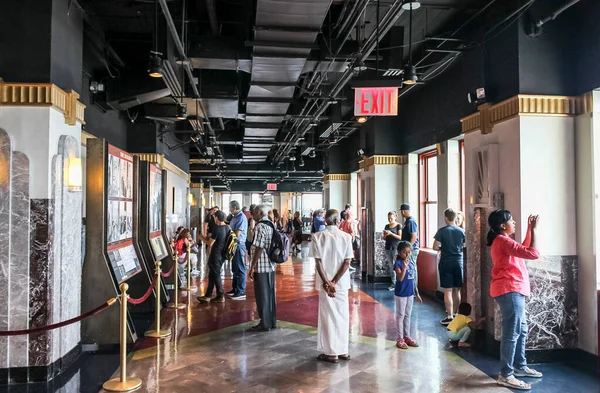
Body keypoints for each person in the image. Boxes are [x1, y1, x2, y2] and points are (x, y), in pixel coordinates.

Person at [487, 210, 542, 390]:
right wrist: (534, 230)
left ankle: (519, 366)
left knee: (521, 330)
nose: (514, 222)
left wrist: (529, 229)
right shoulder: (503, 241)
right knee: (512, 333)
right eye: (511, 220)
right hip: (510, 290)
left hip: (513, 289)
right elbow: (533, 253)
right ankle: (506, 374)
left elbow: (523, 249)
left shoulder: (504, 241)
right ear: (503, 225)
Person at [309, 209, 354, 363]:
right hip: (341, 284)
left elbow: (318, 262)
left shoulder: (317, 237)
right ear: (337, 221)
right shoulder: (347, 237)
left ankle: (331, 352)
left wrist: (327, 282)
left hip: (325, 284)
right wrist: (335, 282)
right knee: (342, 315)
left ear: (325, 221)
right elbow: (347, 262)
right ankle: (343, 351)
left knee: (327, 316)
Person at [433, 208, 466, 325]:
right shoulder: (462, 231)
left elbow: (435, 247)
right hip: (458, 261)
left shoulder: (442, 231)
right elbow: (465, 245)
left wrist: (444, 248)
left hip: (446, 262)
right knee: (457, 290)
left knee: (448, 290)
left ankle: (449, 316)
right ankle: (457, 314)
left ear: (446, 218)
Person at [248, 205, 277, 331]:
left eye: (254, 213)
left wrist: (252, 267)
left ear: (259, 213)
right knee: (270, 295)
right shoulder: (271, 224)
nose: (252, 216)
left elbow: (259, 247)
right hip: (271, 265)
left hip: (262, 266)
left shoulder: (260, 226)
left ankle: (264, 323)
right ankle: (271, 321)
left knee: (262, 296)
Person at [394, 241, 422, 349]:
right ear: (400, 253)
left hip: (410, 293)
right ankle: (400, 338)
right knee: (400, 316)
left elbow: (413, 279)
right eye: (404, 252)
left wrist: (417, 293)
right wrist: (404, 267)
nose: (407, 254)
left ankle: (407, 336)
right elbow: (400, 278)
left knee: (408, 315)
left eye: (409, 252)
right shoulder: (398, 264)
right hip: (401, 293)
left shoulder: (411, 263)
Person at [197, 210, 228, 303]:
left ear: (217, 218)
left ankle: (220, 295)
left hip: (216, 254)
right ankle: (208, 295)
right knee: (212, 274)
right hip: (222, 254)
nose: (213, 219)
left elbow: (210, 243)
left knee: (216, 274)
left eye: (214, 217)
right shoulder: (226, 227)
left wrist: (201, 238)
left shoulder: (217, 229)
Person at [226, 200, 248, 300]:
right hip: (234, 244)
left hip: (239, 244)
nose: (229, 210)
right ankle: (235, 288)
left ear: (234, 208)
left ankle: (241, 291)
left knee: (240, 268)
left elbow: (237, 233)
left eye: (230, 208)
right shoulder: (235, 217)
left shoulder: (241, 217)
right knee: (235, 268)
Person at [400, 203, 419, 280]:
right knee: (407, 268)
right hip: (407, 249)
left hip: (411, 250)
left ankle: (414, 289)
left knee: (412, 268)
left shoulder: (411, 221)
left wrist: (408, 249)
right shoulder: (407, 221)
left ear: (403, 211)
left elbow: (414, 237)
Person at [383, 211, 402, 291]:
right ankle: (393, 282)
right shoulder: (387, 226)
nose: (390, 220)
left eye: (391, 218)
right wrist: (385, 235)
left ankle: (399, 282)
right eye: (388, 218)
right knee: (391, 266)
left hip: (396, 248)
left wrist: (391, 233)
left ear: (395, 218)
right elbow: (384, 238)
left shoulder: (398, 226)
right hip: (388, 248)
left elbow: (400, 237)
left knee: (396, 265)